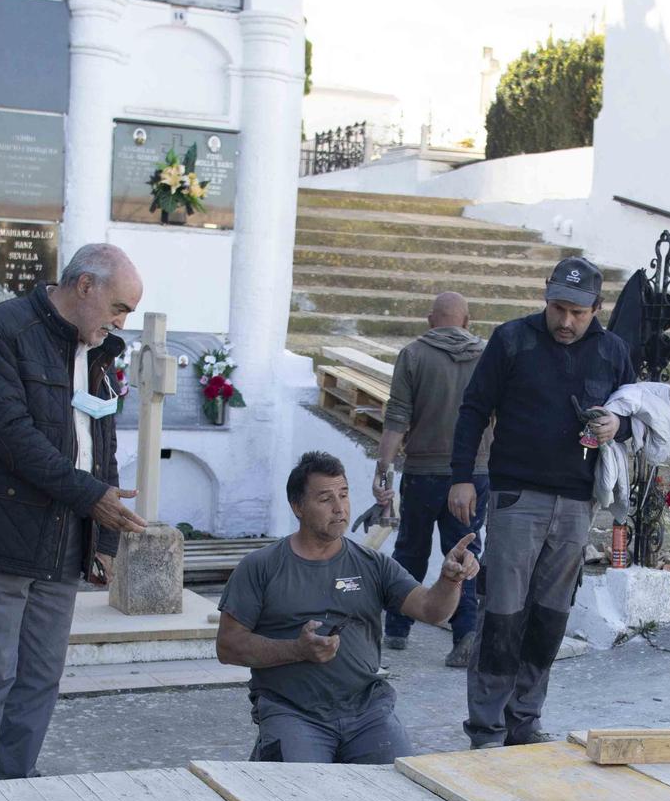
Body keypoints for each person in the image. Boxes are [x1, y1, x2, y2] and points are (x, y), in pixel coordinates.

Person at [0, 244, 148, 792]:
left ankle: (16, 789)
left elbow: (101, 443)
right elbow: (14, 439)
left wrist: (102, 534)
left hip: (68, 533)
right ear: (85, 286)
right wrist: (92, 499)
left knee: (41, 675)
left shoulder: (102, 349)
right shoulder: (6, 331)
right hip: (5, 530)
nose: (121, 321)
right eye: (119, 306)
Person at [448, 256, 636, 748]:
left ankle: (524, 721)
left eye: (578, 311)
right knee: (503, 614)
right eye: (558, 308)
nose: (566, 321)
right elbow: (473, 409)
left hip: (577, 505)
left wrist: (620, 426)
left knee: (550, 615)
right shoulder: (512, 339)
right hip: (516, 498)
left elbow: (638, 414)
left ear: (597, 307)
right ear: (545, 299)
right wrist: (462, 477)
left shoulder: (613, 351)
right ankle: (486, 729)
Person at [218, 452, 480, 763]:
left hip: (367, 711)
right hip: (292, 710)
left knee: (397, 788)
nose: (340, 508)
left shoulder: (373, 564)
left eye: (343, 495)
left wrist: (450, 580)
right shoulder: (260, 567)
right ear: (297, 506)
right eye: (325, 499)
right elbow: (228, 647)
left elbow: (432, 610)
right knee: (296, 794)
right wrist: (297, 650)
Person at [374, 291, 490, 667]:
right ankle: (465, 635)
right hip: (474, 475)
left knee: (410, 549)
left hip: (423, 472)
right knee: (465, 553)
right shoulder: (488, 355)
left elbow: (397, 416)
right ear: (468, 322)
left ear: (430, 320)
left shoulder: (413, 355)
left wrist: (383, 467)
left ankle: (396, 629)